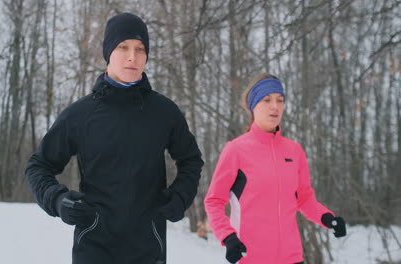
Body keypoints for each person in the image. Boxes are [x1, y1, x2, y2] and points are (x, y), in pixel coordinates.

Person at [25, 12, 203, 264]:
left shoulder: (164, 112)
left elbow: (191, 160)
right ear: (108, 51)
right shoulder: (80, 115)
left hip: (148, 250)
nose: (133, 56)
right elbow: (38, 166)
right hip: (93, 248)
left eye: (140, 48)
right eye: (123, 47)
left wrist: (180, 197)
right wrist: (57, 199)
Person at [204, 73, 346, 264]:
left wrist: (327, 218)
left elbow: (304, 198)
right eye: (267, 100)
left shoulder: (294, 151)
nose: (275, 106)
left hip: (292, 257)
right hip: (251, 257)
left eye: (280, 100)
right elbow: (214, 200)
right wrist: (228, 237)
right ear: (254, 106)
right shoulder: (236, 150)